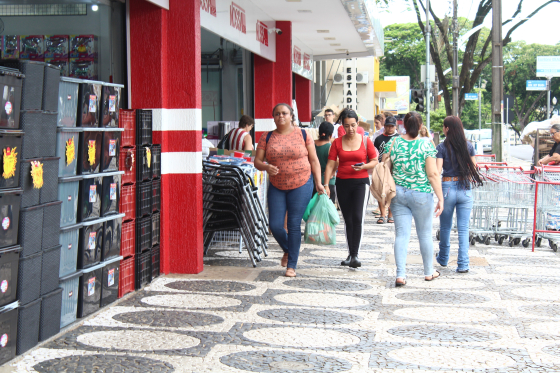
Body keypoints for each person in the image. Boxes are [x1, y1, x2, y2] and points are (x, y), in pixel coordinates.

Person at [254, 103, 324, 277]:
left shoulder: (303, 134)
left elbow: (314, 161)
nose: (281, 116)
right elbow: (257, 161)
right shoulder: (267, 137)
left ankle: (291, 265)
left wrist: (319, 183)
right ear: (274, 117)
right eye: (277, 114)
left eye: (284, 113)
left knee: (293, 224)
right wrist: (266, 167)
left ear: (291, 115)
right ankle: (288, 249)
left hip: (301, 183)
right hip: (277, 185)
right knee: (275, 225)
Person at [383, 112, 444, 286]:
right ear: (420, 126)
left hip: (398, 194)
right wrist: (440, 198)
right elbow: (432, 174)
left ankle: (401, 275)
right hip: (421, 193)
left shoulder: (393, 142)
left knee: (401, 235)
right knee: (424, 234)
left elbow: (386, 166)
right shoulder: (426, 145)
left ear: (403, 125)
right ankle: (428, 272)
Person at [324, 109, 378, 268]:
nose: (350, 129)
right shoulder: (337, 142)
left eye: (353, 125)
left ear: (358, 124)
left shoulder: (366, 141)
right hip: (342, 182)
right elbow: (330, 164)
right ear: (342, 126)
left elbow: (375, 160)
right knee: (348, 220)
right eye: (346, 126)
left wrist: (364, 167)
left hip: (361, 183)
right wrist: (326, 184)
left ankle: (355, 254)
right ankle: (350, 254)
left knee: (357, 217)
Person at [436, 116, 482, 273]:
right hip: (465, 188)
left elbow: (437, 171)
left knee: (445, 226)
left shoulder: (441, 148)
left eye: (444, 126)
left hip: (447, 187)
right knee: (463, 228)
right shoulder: (468, 146)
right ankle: (463, 264)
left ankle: (443, 257)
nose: (443, 129)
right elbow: (474, 167)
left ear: (447, 129)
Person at [373, 116, 400, 223]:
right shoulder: (378, 139)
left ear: (395, 126)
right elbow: (374, 153)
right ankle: (382, 214)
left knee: (392, 191)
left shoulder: (399, 138)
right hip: (381, 167)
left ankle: (390, 214)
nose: (390, 128)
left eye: (392, 126)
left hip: (394, 168)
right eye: (388, 126)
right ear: (384, 126)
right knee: (380, 190)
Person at [314, 121, 337, 204]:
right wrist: (333, 172)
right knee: (328, 209)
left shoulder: (311, 144)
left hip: (313, 181)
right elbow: (337, 162)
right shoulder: (330, 147)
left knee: (314, 210)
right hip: (327, 182)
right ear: (331, 135)